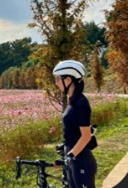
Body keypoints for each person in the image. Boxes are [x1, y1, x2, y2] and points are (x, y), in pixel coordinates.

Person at [53, 59, 98, 188]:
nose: (56, 83)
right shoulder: (72, 102)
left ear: (67, 80)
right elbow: (73, 132)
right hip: (74, 161)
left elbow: (86, 136)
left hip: (81, 162)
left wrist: (70, 156)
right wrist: (65, 148)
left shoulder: (81, 103)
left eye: (57, 79)